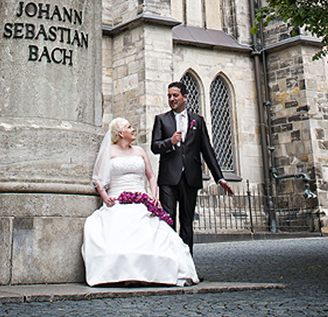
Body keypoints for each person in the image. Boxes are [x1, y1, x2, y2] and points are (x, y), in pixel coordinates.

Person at [82, 117, 199, 286]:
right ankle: (123, 274)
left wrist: (154, 198)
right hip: (118, 200)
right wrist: (105, 198)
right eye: (129, 127)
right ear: (120, 133)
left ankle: (152, 274)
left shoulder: (139, 151)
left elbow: (151, 176)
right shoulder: (109, 152)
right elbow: (98, 179)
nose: (133, 130)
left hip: (141, 201)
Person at [151, 79, 234, 253]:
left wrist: (219, 178)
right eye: (169, 96)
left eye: (175, 96)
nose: (172, 99)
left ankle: (186, 266)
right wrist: (170, 142)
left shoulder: (198, 120)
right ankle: (169, 262)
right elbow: (154, 147)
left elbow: (207, 151)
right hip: (168, 178)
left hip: (190, 178)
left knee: (187, 222)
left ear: (185, 97)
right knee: (168, 220)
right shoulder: (161, 120)